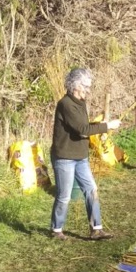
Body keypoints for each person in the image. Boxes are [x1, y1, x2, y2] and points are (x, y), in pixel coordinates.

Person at [50, 67, 120, 240]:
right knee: (64, 195)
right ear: (75, 85)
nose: (88, 90)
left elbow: (84, 125)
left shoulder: (80, 103)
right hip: (65, 157)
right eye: (86, 86)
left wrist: (100, 125)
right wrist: (107, 126)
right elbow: (82, 130)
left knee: (91, 189)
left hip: (81, 157)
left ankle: (96, 229)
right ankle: (56, 230)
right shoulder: (65, 104)